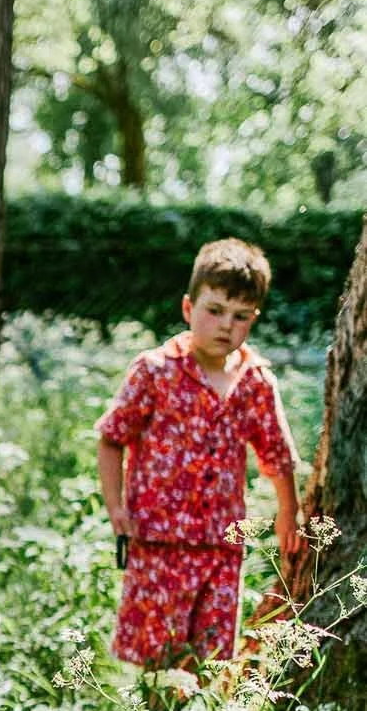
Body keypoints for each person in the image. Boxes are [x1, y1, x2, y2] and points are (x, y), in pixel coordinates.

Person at [97, 236, 303, 671]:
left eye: (240, 316)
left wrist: (290, 513)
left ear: (253, 320)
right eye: (215, 311)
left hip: (221, 547)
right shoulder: (156, 370)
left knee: (208, 662)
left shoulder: (255, 381)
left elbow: (278, 456)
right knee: (159, 661)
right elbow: (112, 438)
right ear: (189, 309)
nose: (226, 325)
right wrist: (116, 507)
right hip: (158, 542)